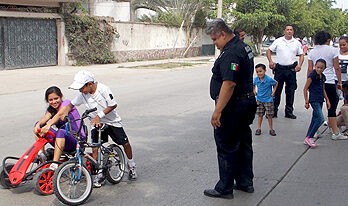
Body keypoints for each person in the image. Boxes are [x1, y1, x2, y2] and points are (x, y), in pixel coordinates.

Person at [203, 19, 257, 199]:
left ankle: (224, 188)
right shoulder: (244, 47)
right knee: (242, 144)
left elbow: (229, 83)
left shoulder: (231, 53)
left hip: (233, 107)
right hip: (246, 103)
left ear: (223, 34)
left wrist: (218, 111)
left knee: (226, 146)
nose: (214, 44)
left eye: (214, 39)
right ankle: (245, 181)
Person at [67, 70, 137, 187]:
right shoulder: (83, 94)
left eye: (81, 88)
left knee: (124, 143)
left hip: (112, 122)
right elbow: (70, 105)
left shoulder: (103, 89)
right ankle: (100, 173)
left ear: (89, 84)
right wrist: (62, 114)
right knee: (95, 148)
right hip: (96, 123)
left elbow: (113, 104)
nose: (80, 91)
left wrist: (99, 116)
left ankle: (131, 164)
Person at [307, 31, 347, 140]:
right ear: (328, 40)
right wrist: (339, 82)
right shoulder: (333, 50)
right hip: (329, 81)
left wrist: (309, 83)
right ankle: (335, 133)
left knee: (317, 108)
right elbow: (336, 67)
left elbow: (310, 69)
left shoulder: (312, 52)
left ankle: (315, 131)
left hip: (316, 82)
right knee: (332, 107)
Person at [34, 86, 84, 170]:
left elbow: (60, 114)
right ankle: (41, 155)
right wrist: (37, 126)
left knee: (61, 131)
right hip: (61, 140)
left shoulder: (67, 103)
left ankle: (54, 164)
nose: (54, 102)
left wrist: (49, 125)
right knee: (38, 127)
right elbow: (45, 118)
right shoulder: (51, 110)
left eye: (56, 98)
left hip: (76, 140)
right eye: (51, 100)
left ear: (61, 96)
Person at [267, 25, 304, 119]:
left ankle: (289, 112)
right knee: (276, 91)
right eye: (287, 30)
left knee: (290, 91)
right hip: (279, 70)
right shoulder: (279, 41)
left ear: (293, 32)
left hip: (291, 70)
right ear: (284, 31)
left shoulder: (296, 43)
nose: (289, 31)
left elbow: (301, 55)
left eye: (291, 30)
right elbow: (269, 50)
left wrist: (299, 65)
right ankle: (273, 111)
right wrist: (270, 61)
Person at [303, 59, 331, 148]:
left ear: (324, 68)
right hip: (313, 100)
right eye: (318, 67)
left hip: (320, 99)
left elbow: (323, 89)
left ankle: (307, 136)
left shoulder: (323, 77)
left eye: (321, 68)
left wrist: (327, 100)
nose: (319, 69)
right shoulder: (312, 76)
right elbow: (305, 88)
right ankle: (310, 137)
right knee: (320, 118)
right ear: (315, 66)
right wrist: (306, 101)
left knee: (315, 118)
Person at [253, 63, 278, 136]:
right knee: (260, 115)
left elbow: (276, 83)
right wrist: (254, 90)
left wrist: (273, 92)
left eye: (260, 71)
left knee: (269, 115)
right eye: (257, 72)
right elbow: (253, 84)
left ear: (265, 71)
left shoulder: (269, 79)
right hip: (259, 99)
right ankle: (259, 128)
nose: (259, 73)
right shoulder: (256, 79)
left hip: (268, 100)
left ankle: (271, 129)